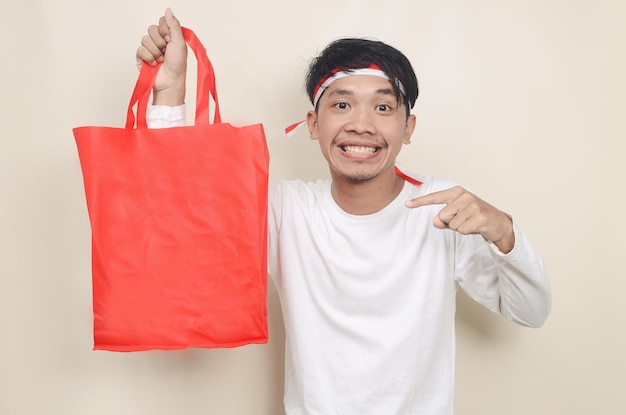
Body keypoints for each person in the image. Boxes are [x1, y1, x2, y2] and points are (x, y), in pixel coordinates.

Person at [136, 9, 551, 415]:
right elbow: (183, 227)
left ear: (408, 127)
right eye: (342, 105)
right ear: (314, 123)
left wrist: (504, 232)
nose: (361, 125)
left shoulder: (443, 206)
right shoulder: (286, 210)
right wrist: (169, 93)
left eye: (384, 108)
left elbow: (530, 310)